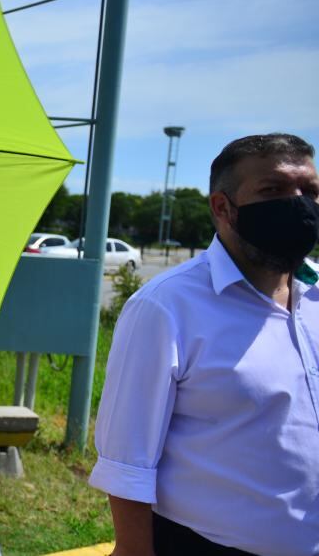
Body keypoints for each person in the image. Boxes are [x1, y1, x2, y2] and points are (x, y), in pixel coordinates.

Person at [89, 133, 319, 556]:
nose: (299, 203)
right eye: (274, 190)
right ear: (222, 207)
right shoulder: (166, 307)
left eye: (310, 191)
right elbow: (127, 461)